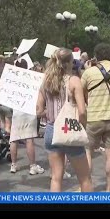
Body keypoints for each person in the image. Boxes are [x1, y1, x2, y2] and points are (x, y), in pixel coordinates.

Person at [36, 48, 93, 192]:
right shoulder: (74, 81)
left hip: (50, 130)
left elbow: (38, 111)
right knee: (85, 178)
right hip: (70, 129)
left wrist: (51, 112)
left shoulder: (45, 82)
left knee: (56, 177)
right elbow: (82, 111)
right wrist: (83, 126)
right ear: (69, 63)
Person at [81, 43, 110, 192]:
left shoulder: (89, 73)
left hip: (93, 117)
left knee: (87, 151)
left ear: (96, 56)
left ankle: (87, 187)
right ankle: (109, 190)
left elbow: (82, 94)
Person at [9, 59, 44, 175]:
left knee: (14, 138)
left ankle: (13, 164)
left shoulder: (12, 80)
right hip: (29, 110)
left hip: (17, 111)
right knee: (29, 139)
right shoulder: (32, 79)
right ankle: (32, 165)